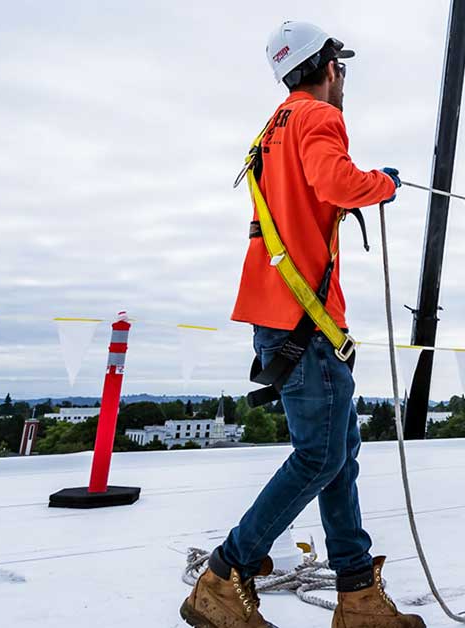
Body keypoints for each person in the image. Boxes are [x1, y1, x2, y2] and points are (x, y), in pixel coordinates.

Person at [180, 21, 425, 628]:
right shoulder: (318, 117)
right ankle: (224, 573)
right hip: (304, 324)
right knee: (320, 455)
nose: (342, 78)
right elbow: (335, 181)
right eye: (339, 67)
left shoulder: (274, 128)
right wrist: (383, 185)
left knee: (338, 451)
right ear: (327, 68)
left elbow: (306, 197)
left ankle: (357, 594)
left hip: (285, 317)